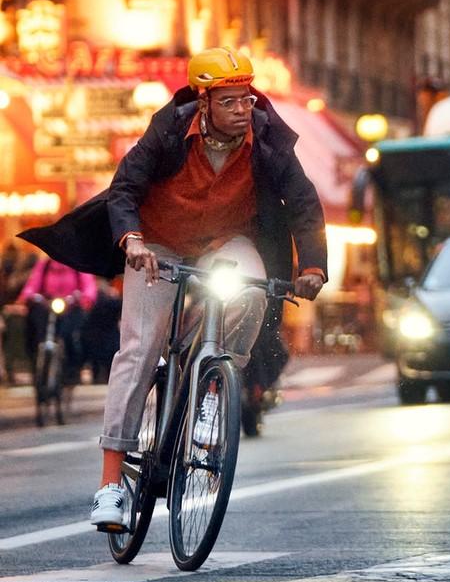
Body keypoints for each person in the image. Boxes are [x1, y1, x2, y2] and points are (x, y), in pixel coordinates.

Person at [20, 46, 327, 529]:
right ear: (203, 102)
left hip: (227, 242)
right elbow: (125, 189)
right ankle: (110, 485)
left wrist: (313, 267)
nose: (242, 109)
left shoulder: (268, 139)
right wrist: (133, 240)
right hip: (157, 245)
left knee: (247, 290)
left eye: (246, 99)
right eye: (229, 101)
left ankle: (212, 391)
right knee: (139, 349)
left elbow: (305, 204)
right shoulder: (167, 130)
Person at [16, 257, 97, 384]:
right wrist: (28, 296)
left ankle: (72, 368)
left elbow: (89, 286)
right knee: (36, 331)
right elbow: (32, 284)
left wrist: (85, 297)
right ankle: (38, 362)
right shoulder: (45, 265)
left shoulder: (77, 262)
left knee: (70, 335)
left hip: (70, 306)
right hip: (48, 306)